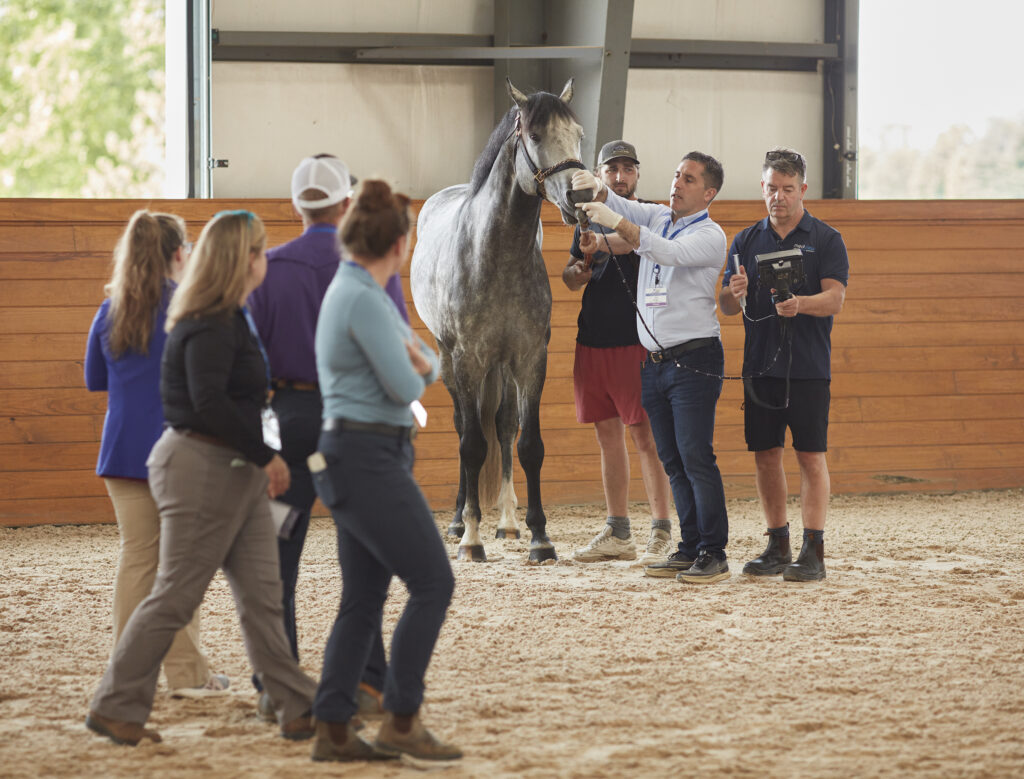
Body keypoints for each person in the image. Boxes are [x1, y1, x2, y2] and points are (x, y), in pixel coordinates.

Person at [86, 210, 318, 746]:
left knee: (262, 594)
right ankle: (116, 704)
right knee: (174, 593)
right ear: (245, 259)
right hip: (205, 466)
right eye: (260, 251)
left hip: (225, 467)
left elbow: (99, 378)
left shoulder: (225, 313)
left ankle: (297, 706)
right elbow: (208, 401)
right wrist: (267, 455)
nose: (267, 259)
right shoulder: (209, 320)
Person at [246, 154, 406, 721]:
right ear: (345, 204)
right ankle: (368, 681)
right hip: (354, 425)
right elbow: (396, 348)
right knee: (363, 557)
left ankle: (276, 684)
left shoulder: (268, 269)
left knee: (276, 557)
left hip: (288, 423)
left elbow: (249, 363)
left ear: (297, 206)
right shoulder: (370, 268)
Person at [309, 180, 460, 762]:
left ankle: (332, 724)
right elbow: (409, 381)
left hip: (361, 453)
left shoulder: (359, 290)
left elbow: (430, 362)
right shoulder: (365, 299)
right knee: (433, 582)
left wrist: (418, 363)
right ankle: (401, 717)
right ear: (400, 244)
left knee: (364, 597)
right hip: (366, 455)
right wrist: (417, 364)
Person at [84, 210, 228, 698]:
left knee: (137, 559)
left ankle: (126, 674)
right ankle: (187, 676)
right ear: (180, 254)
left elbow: (95, 380)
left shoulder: (110, 310)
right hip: (180, 452)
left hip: (121, 452)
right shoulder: (190, 310)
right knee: (180, 567)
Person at [574, 151, 731, 584]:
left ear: (709, 193)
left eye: (689, 179)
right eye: (677, 175)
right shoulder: (661, 216)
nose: (677, 183)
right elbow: (622, 205)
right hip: (655, 361)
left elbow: (665, 252)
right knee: (673, 459)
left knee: (696, 457)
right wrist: (598, 188)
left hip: (694, 358)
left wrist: (615, 221)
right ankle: (689, 547)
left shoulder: (710, 235)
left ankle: (714, 552)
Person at [719, 148, 849, 582]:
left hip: (808, 367)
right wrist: (734, 292)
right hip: (760, 367)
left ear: (803, 190)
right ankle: (777, 544)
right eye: (772, 188)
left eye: (788, 189)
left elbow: (835, 298)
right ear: (763, 188)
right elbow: (726, 306)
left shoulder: (826, 238)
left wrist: (801, 304)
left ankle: (814, 550)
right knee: (765, 456)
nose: (779, 197)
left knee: (810, 456)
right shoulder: (745, 241)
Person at [562, 140, 673, 565]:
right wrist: (578, 270)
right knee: (607, 437)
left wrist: (600, 241)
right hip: (592, 340)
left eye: (628, 169)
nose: (620, 176)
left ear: (637, 175)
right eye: (612, 169)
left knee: (646, 437)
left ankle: (661, 530)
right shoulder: (585, 218)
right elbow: (572, 275)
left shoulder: (649, 215)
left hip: (635, 342)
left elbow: (629, 244)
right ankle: (618, 530)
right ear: (599, 174)